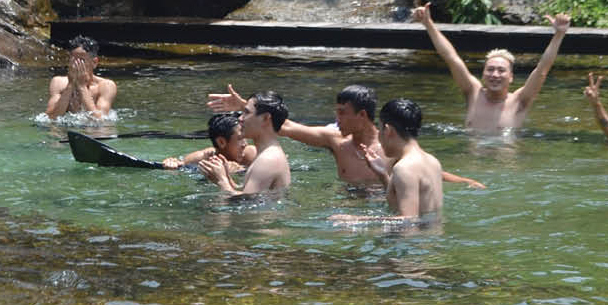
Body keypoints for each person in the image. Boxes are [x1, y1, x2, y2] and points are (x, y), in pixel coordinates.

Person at [206, 82, 485, 190]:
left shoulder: (389, 147)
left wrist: (467, 182)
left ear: (361, 116)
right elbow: (280, 125)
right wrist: (244, 106)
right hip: (345, 204)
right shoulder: (334, 140)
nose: (336, 119)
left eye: (342, 113)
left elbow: (427, 169)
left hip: (381, 208)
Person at [411, 3, 572, 130]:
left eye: (501, 70)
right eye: (490, 69)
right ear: (483, 74)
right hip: (473, 164)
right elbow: (451, 57)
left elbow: (542, 70)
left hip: (506, 166)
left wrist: (559, 35)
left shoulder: (519, 100)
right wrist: (428, 23)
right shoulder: (473, 92)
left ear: (511, 77)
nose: (495, 74)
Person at [199, 91, 291, 197]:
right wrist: (227, 177)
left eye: (246, 112)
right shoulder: (268, 154)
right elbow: (249, 194)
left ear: (265, 118)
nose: (240, 118)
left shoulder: (268, 159)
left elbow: (245, 204)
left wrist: (221, 180)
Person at [375, 98, 444, 220]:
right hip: (432, 236)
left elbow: (408, 222)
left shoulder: (404, 168)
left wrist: (353, 220)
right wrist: (383, 176)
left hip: (414, 238)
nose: (378, 136)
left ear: (388, 130)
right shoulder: (433, 161)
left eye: (380, 129)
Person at [45, 36, 117, 118]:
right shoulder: (58, 82)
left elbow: (99, 120)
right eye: (73, 60)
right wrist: (70, 84)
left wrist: (82, 86)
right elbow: (52, 118)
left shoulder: (106, 86)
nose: (76, 64)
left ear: (94, 62)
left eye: (81, 60)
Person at [162, 112, 256, 170]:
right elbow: (179, 163)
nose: (245, 144)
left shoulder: (252, 155)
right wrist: (171, 164)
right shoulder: (201, 159)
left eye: (245, 137)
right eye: (240, 139)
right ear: (221, 142)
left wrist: (240, 169)